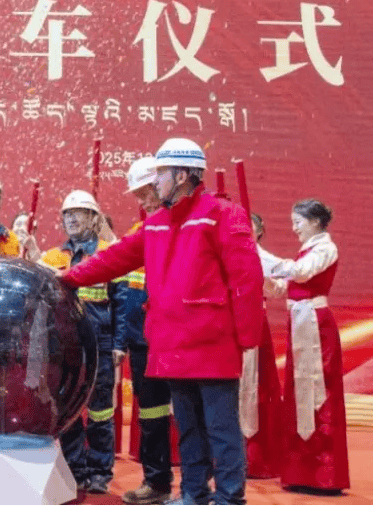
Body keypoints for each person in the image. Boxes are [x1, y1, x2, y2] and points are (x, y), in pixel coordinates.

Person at [60, 138, 263, 506]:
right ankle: (194, 494)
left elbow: (246, 279)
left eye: (160, 175)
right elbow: (113, 259)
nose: (154, 183)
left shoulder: (223, 215)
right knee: (188, 428)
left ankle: (229, 499)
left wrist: (247, 338)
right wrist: (68, 278)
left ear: (182, 175)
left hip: (213, 345)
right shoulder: (155, 224)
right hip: (171, 345)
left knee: (221, 429)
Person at [39, 190, 129, 494]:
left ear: (94, 218)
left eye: (78, 212)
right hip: (66, 346)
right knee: (69, 410)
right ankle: (75, 469)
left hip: (100, 343)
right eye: (67, 213)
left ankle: (100, 471)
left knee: (101, 410)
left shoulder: (109, 253)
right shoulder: (52, 257)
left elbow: (122, 303)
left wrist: (119, 344)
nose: (72, 218)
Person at [262, 200, 349, 494]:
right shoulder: (307, 251)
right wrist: (261, 274)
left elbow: (300, 273)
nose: (294, 228)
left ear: (314, 222)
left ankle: (324, 474)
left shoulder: (326, 249)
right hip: (301, 322)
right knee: (299, 392)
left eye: (297, 222)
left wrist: (262, 256)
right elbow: (283, 286)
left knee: (319, 392)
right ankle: (301, 472)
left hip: (316, 325)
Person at [118, 156, 174, 505]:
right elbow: (127, 293)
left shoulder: (180, 227)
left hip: (176, 338)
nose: (142, 201)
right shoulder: (137, 234)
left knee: (190, 413)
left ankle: (199, 486)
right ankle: (157, 481)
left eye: (145, 192)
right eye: (137, 195)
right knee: (151, 413)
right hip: (143, 342)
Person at [239, 213, 284, 479]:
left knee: (258, 385)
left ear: (259, 231)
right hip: (231, 325)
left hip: (256, 324)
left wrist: (265, 281)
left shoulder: (265, 258)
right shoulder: (227, 253)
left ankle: (257, 457)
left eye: (251, 226)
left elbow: (281, 286)